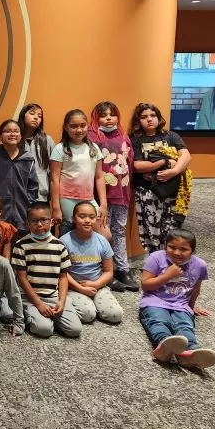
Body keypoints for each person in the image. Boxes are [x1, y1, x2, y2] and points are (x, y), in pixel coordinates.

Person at [139, 229, 215, 369]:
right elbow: (145, 285)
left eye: (183, 249)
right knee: (159, 321)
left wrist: (191, 308)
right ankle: (163, 345)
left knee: (184, 324)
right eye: (172, 247)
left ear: (192, 251)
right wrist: (167, 276)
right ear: (165, 246)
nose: (176, 252)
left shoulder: (200, 265)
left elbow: (196, 289)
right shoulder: (156, 257)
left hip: (181, 305)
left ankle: (190, 352)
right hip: (154, 301)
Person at [12, 202, 82, 338]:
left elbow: (63, 277)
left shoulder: (60, 245)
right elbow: (22, 278)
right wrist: (38, 304)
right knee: (45, 330)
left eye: (44, 220)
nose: (39, 224)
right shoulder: (21, 246)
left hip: (53, 296)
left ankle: (52, 315)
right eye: (34, 221)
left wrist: (61, 301)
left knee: (75, 330)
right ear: (28, 224)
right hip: (30, 298)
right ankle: (31, 315)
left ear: (52, 221)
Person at [88, 101, 137, 291]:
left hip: (122, 193)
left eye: (112, 114)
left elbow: (129, 164)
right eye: (103, 115)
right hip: (101, 196)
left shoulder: (124, 137)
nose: (108, 118)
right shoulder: (93, 137)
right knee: (101, 233)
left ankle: (122, 269)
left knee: (119, 231)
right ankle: (103, 271)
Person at [130, 103, 192, 254]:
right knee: (150, 229)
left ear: (159, 118)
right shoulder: (136, 140)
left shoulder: (171, 136)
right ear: (138, 121)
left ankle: (169, 260)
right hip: (147, 192)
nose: (149, 119)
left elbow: (186, 155)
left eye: (153, 116)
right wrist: (163, 162)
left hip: (171, 191)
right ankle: (155, 261)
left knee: (170, 229)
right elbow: (137, 165)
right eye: (144, 117)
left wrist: (174, 171)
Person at [60, 202, 123, 324]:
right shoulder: (64, 242)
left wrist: (96, 284)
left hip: (98, 286)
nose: (87, 220)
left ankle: (96, 303)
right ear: (73, 219)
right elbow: (62, 273)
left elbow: (109, 271)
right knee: (87, 315)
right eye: (82, 216)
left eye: (91, 217)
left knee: (115, 315)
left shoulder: (102, 241)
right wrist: (80, 288)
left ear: (97, 219)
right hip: (74, 288)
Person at [50, 109, 107, 237]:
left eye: (82, 125)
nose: (79, 130)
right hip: (67, 199)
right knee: (69, 234)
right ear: (65, 127)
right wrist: (56, 207)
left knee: (105, 235)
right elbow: (54, 179)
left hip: (89, 199)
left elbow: (99, 177)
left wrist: (103, 204)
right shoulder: (60, 149)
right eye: (73, 126)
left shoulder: (94, 148)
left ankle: (88, 258)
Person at [0, 119, 39, 230]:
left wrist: (27, 204)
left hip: (22, 217)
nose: (12, 134)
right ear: (0, 136)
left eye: (16, 131)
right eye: (8, 131)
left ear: (21, 135)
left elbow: (33, 187)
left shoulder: (27, 159)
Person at [19, 103, 55, 202]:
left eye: (39, 116)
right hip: (18, 195)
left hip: (41, 195)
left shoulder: (47, 140)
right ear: (23, 115)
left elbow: (53, 171)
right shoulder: (15, 140)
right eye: (32, 113)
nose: (36, 118)